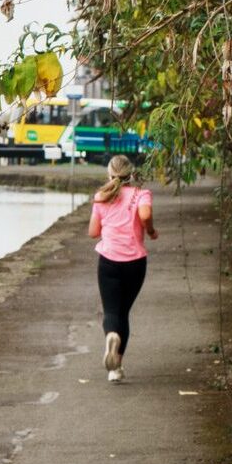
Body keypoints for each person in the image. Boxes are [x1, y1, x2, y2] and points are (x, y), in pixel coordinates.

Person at [87, 155, 157, 383]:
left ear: (109, 174)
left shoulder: (101, 197)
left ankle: (112, 338)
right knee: (123, 312)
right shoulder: (140, 194)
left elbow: (93, 232)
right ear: (131, 174)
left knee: (111, 312)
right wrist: (151, 230)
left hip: (108, 261)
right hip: (135, 263)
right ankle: (116, 366)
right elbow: (145, 214)